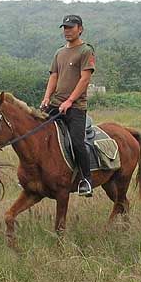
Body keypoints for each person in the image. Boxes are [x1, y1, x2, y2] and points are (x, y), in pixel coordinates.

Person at [40, 14, 96, 196]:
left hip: (76, 107)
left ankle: (86, 179)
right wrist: (47, 97)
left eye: (70, 27)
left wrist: (70, 101)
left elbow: (85, 79)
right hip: (56, 104)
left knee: (77, 143)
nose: (67, 31)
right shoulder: (59, 53)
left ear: (80, 28)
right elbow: (53, 77)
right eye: (64, 28)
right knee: (36, 135)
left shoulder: (85, 51)